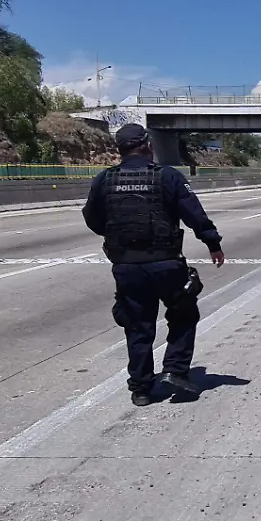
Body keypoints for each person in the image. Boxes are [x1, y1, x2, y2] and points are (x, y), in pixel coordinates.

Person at [83, 124, 226, 406]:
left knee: (137, 326)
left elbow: (92, 217)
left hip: (126, 266)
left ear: (119, 149)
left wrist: (116, 234)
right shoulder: (167, 176)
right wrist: (212, 242)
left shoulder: (104, 179)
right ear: (148, 145)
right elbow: (193, 213)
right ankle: (175, 369)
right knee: (184, 315)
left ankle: (141, 388)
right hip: (165, 263)